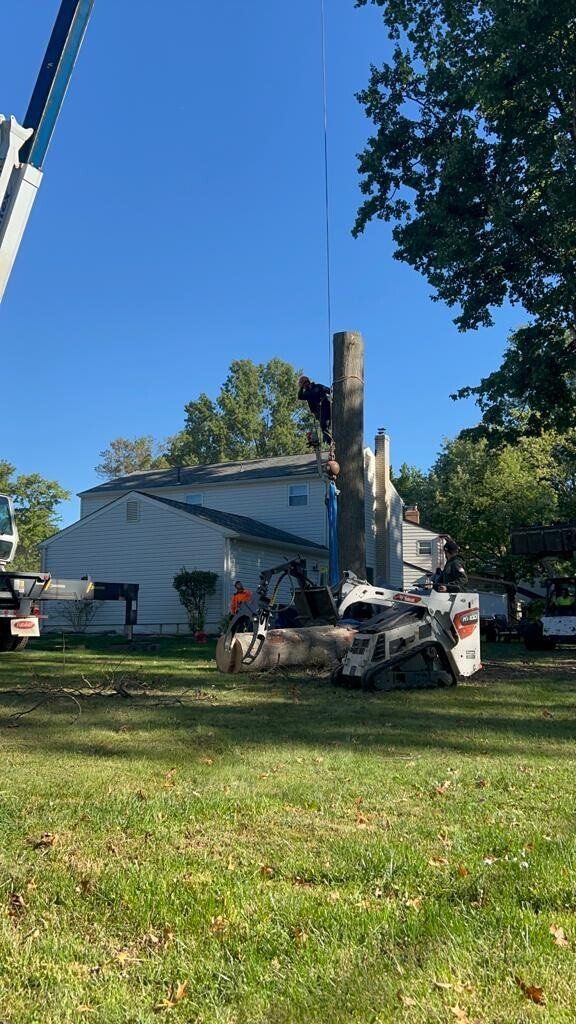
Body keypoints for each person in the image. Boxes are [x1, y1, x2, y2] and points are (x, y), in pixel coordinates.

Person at [297, 375, 333, 444]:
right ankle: (329, 441)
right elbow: (300, 396)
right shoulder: (306, 393)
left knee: (325, 425)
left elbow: (329, 391)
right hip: (319, 411)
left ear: (306, 382)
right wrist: (301, 387)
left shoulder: (318, 387)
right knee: (324, 426)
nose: (304, 386)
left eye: (303, 384)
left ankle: (330, 440)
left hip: (326, 406)